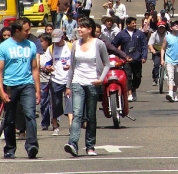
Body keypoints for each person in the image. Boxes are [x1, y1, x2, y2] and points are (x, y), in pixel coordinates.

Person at [63, 18, 111, 157]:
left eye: (82, 27)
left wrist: (100, 80)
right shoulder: (75, 44)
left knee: (90, 116)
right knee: (77, 113)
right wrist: (68, 85)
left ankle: (90, 146)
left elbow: (107, 64)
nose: (79, 29)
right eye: (78, 27)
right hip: (77, 82)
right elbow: (72, 66)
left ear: (89, 29)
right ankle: (73, 143)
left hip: (92, 83)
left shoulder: (99, 44)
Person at [0, 18, 40, 159]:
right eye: (26, 30)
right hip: (10, 86)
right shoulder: (4, 47)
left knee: (30, 114)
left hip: (27, 85)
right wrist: (1, 91)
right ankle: (10, 149)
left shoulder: (31, 45)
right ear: (17, 31)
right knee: (9, 119)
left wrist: (38, 90)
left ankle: (32, 146)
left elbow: (34, 69)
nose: (29, 32)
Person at [41, 29, 73, 136]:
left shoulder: (70, 46)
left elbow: (75, 61)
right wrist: (48, 68)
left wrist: (71, 66)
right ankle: (55, 126)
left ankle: (71, 126)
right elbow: (47, 63)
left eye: (58, 40)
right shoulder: (51, 48)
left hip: (69, 79)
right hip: (56, 79)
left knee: (70, 102)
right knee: (55, 104)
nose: (56, 42)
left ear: (63, 37)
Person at [112, 17, 148, 102]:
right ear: (128, 24)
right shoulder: (121, 34)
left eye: (135, 23)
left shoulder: (140, 34)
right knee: (128, 77)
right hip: (126, 60)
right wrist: (118, 55)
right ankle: (130, 94)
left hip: (137, 60)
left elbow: (144, 46)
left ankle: (134, 89)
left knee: (137, 78)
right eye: (133, 23)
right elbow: (114, 45)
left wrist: (144, 56)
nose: (135, 24)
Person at [148, 21, 168, 86]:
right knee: (156, 65)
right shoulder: (154, 34)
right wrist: (152, 50)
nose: (161, 29)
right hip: (157, 51)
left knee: (170, 65)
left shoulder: (168, 34)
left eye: (162, 28)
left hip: (167, 51)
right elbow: (150, 44)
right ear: (158, 28)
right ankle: (155, 78)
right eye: (160, 28)